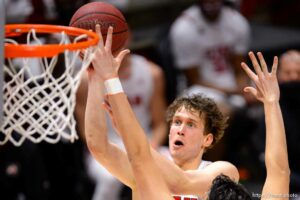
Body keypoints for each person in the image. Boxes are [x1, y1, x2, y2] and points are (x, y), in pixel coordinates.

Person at [86, 25, 290, 199]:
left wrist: (125, 126)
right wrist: (96, 78)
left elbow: (179, 181)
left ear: (207, 140)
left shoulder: (221, 171)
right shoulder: (148, 164)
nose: (180, 129)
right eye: (176, 122)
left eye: (191, 124)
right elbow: (98, 146)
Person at [76, 29, 168, 200]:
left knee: (177, 165)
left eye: (115, 38)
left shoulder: (152, 72)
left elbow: (160, 124)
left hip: (146, 142)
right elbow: (86, 132)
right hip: (106, 146)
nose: (111, 45)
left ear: (128, 37)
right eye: (105, 41)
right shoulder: (85, 80)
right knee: (110, 178)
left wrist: (149, 148)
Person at [169, 0, 252, 114]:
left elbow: (240, 67)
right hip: (201, 88)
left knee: (268, 92)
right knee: (218, 111)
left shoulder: (236, 20)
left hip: (231, 83)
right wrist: (232, 91)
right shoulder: (184, 27)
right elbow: (193, 79)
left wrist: (243, 86)